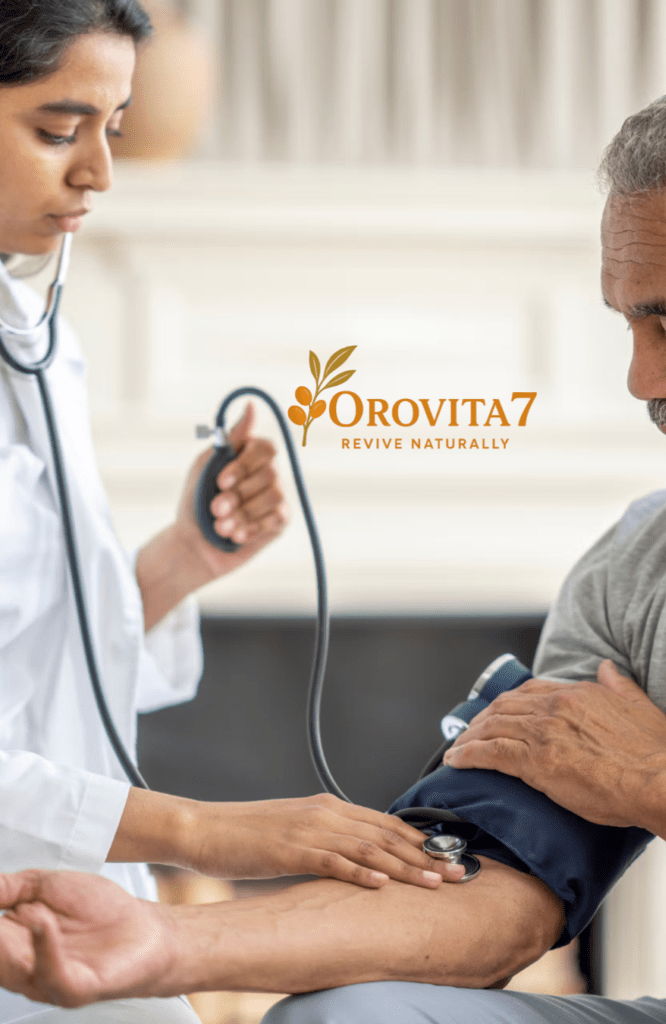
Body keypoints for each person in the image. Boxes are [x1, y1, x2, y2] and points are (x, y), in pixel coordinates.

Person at [2, 55, 666, 1024]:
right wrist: (166, 942)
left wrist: (659, 784)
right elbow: (494, 894)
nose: (639, 377)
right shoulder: (644, 563)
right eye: (627, 322)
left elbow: (642, 783)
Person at [0, 3, 463, 1022]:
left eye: (112, 129)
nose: (98, 175)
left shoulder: (32, 333)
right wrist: (211, 833)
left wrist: (178, 563)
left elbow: (30, 663)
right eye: (54, 128)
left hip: (65, 905)